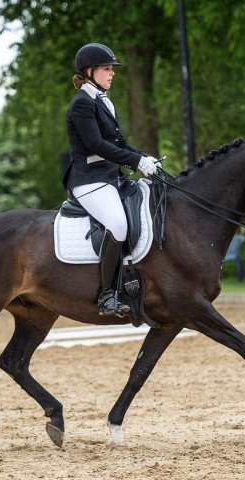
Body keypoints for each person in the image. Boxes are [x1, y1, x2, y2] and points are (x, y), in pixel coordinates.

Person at [60, 43, 158, 317]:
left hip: (108, 176)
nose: (112, 73)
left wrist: (144, 158)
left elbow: (119, 142)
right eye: (106, 69)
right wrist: (134, 162)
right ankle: (107, 295)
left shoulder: (103, 100)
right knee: (117, 224)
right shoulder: (82, 103)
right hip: (88, 179)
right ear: (90, 72)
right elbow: (96, 144)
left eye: (111, 69)